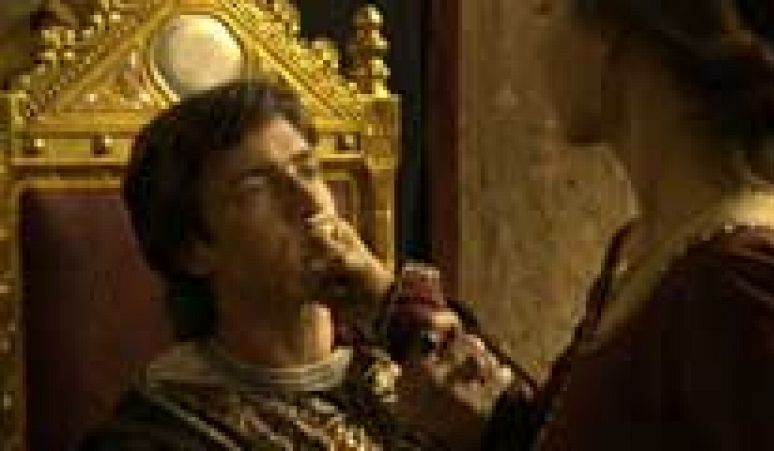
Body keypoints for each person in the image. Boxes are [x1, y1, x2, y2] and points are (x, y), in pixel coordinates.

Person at [381, 0, 774, 449]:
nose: (536, 45)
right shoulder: (645, 248)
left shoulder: (742, 279)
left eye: (547, 10)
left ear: (609, 35)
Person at [80, 79, 518, 450]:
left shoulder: (410, 367)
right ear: (194, 249)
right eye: (257, 189)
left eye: (307, 170)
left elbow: (537, 430)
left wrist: (394, 304)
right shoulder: (157, 433)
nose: (310, 203)